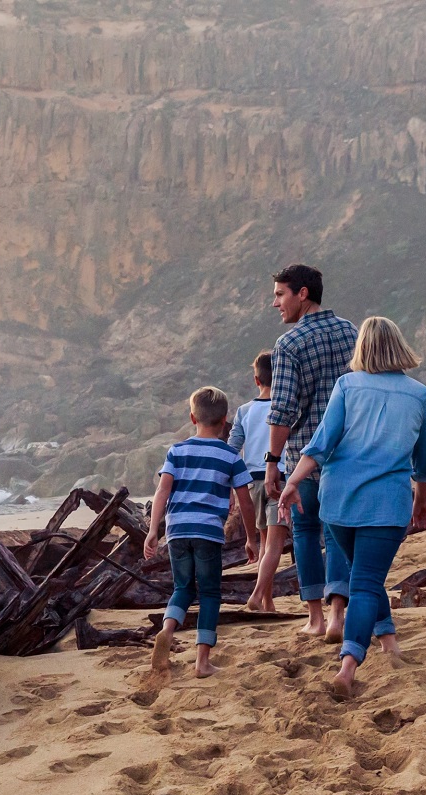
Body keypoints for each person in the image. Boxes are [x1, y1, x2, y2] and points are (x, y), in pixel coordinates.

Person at [276, 316, 426, 700]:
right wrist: (421, 503)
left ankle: (389, 641)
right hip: (386, 504)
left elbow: (320, 443)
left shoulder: (347, 386)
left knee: (365, 578)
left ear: (362, 348)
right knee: (365, 581)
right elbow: (425, 461)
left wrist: (293, 481)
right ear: (399, 346)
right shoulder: (419, 395)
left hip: (339, 502)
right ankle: (347, 667)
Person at [264, 264, 358, 640]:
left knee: (303, 531)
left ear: (303, 293)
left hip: (303, 457)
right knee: (337, 533)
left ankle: (315, 619)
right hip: (346, 456)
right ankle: (338, 617)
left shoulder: (289, 344)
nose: (275, 304)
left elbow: (283, 409)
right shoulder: (351, 331)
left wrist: (271, 463)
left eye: (280, 294)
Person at [145, 387, 260, 679]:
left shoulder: (177, 451)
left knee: (183, 588)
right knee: (209, 593)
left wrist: (152, 531)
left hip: (178, 530)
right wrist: (251, 537)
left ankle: (168, 630)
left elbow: (163, 490)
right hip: (208, 531)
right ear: (225, 421)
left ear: (192, 417)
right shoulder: (230, 455)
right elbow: (245, 500)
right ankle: (202, 662)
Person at [228, 351, 288, 612]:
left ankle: (268, 601)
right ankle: (255, 596)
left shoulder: (244, 411)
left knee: (264, 544)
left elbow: (232, 448)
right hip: (279, 481)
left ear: (256, 380)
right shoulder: (285, 407)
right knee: (274, 546)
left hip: (252, 484)